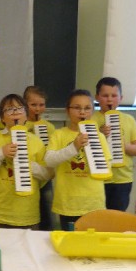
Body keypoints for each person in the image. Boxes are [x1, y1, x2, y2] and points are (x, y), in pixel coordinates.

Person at [0, 94, 53, 229]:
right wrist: (1, 153)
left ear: (26, 115)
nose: (15, 112)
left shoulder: (36, 141)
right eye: (9, 109)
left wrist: (26, 164)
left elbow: (48, 174)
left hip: (28, 214)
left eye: (20, 109)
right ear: (2, 118)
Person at [44, 89, 111, 230]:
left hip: (93, 202)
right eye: (77, 108)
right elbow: (49, 160)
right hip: (68, 203)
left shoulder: (99, 136)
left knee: (91, 241)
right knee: (70, 241)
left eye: (87, 108)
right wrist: (73, 147)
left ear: (92, 111)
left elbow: (107, 166)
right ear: (67, 111)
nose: (82, 112)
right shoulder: (58, 134)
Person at [92, 77, 136, 211]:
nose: (109, 100)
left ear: (121, 98)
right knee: (97, 216)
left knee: (117, 216)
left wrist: (124, 146)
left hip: (123, 180)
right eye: (105, 95)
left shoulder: (129, 119)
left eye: (114, 96)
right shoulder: (91, 120)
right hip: (98, 179)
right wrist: (99, 135)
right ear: (97, 97)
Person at [23, 85, 56, 230]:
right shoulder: (20, 126)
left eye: (41, 105)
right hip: (26, 175)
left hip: (45, 177)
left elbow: (53, 152)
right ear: (25, 105)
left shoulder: (49, 127)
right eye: (33, 105)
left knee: (48, 210)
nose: (37, 109)